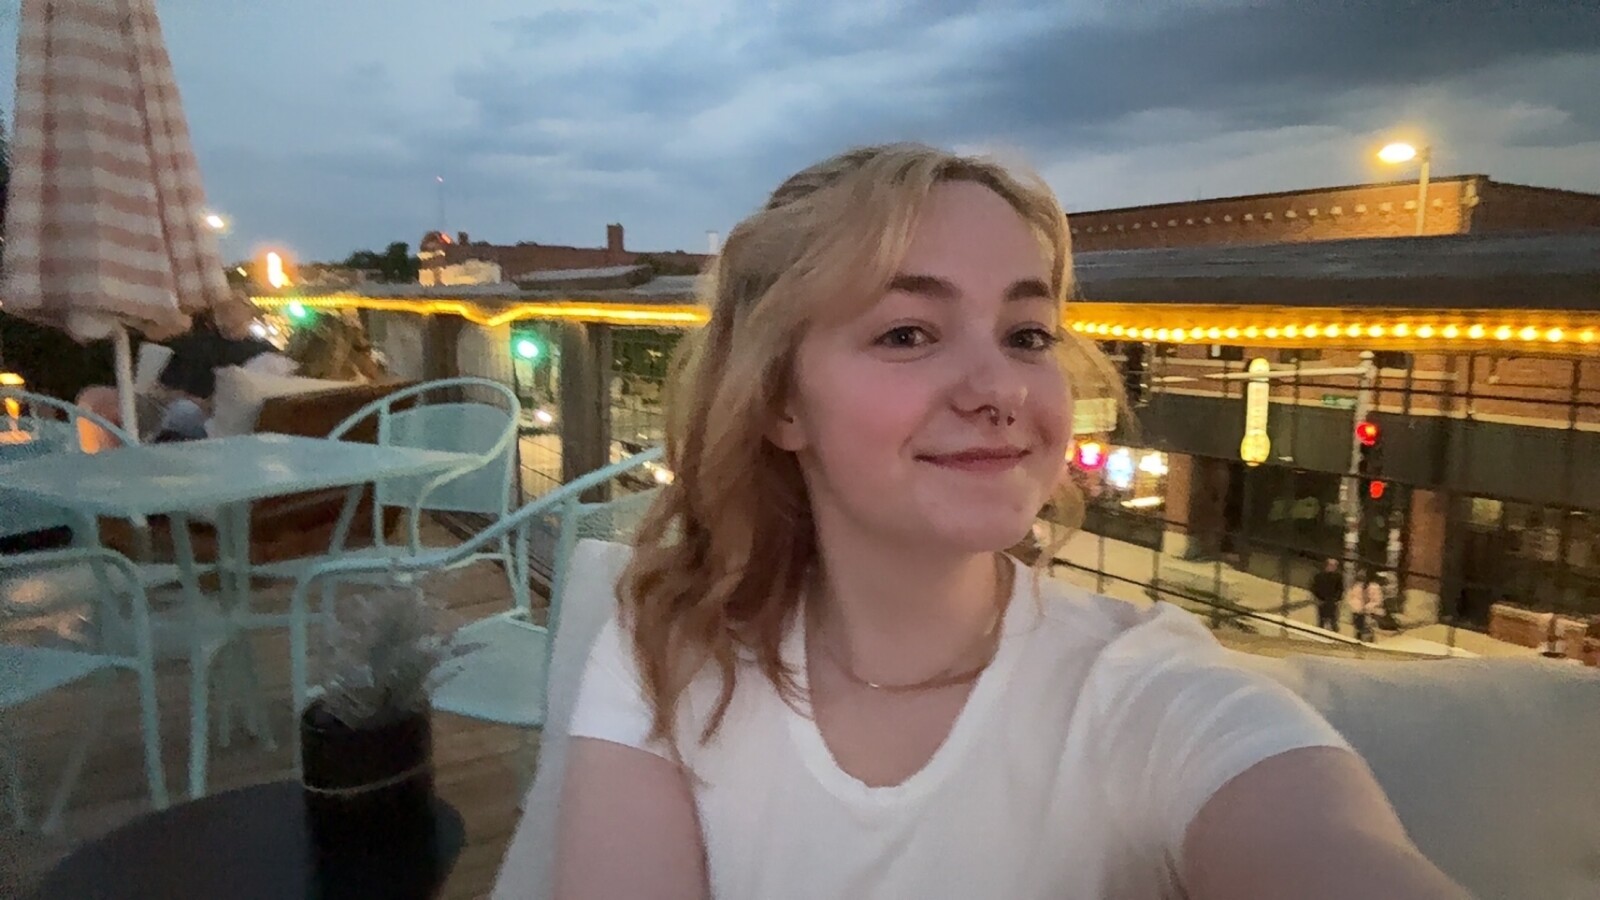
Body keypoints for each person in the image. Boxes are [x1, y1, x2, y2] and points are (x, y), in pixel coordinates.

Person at [534, 145, 1466, 899]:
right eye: (908, 333)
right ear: (780, 401)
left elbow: (1317, 837)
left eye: (1027, 336)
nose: (1000, 390)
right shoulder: (673, 647)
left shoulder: (1148, 696)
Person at [76, 294, 291, 448]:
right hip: (211, 418)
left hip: (211, 419)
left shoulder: (261, 353)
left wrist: (207, 404)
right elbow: (164, 389)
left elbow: (165, 391)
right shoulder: (199, 345)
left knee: (102, 401)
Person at [1347, 570, 1384, 643]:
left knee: (1369, 629)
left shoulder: (1374, 587)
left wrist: (1368, 606)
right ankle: (1358, 641)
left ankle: (1370, 642)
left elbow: (1378, 600)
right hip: (1357, 611)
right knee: (1358, 628)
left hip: (1370, 612)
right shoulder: (1356, 587)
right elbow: (1351, 597)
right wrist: (1356, 606)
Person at [1310, 557, 1344, 633]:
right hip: (1321, 599)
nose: (1333, 567)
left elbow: (1340, 589)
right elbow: (1314, 587)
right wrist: (1317, 597)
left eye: (1334, 566)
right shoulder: (1319, 576)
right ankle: (1320, 632)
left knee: (1333, 619)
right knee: (1321, 619)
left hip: (1332, 600)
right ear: (1327, 565)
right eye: (1331, 565)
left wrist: (1337, 599)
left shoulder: (1338, 577)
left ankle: (1334, 634)